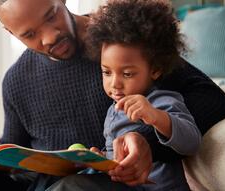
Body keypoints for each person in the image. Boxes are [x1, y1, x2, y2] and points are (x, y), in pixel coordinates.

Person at [0, 0, 225, 190]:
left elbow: (213, 100)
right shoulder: (15, 80)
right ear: (10, 32)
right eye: (29, 34)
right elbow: (15, 159)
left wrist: (149, 146)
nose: (50, 35)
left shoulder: (122, 45)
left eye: (51, 14)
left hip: (106, 183)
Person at [82, 0, 200, 190]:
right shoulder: (112, 111)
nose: (115, 83)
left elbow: (191, 143)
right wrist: (101, 159)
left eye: (127, 74)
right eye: (107, 72)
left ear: (155, 69)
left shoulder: (161, 100)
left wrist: (156, 116)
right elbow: (120, 160)